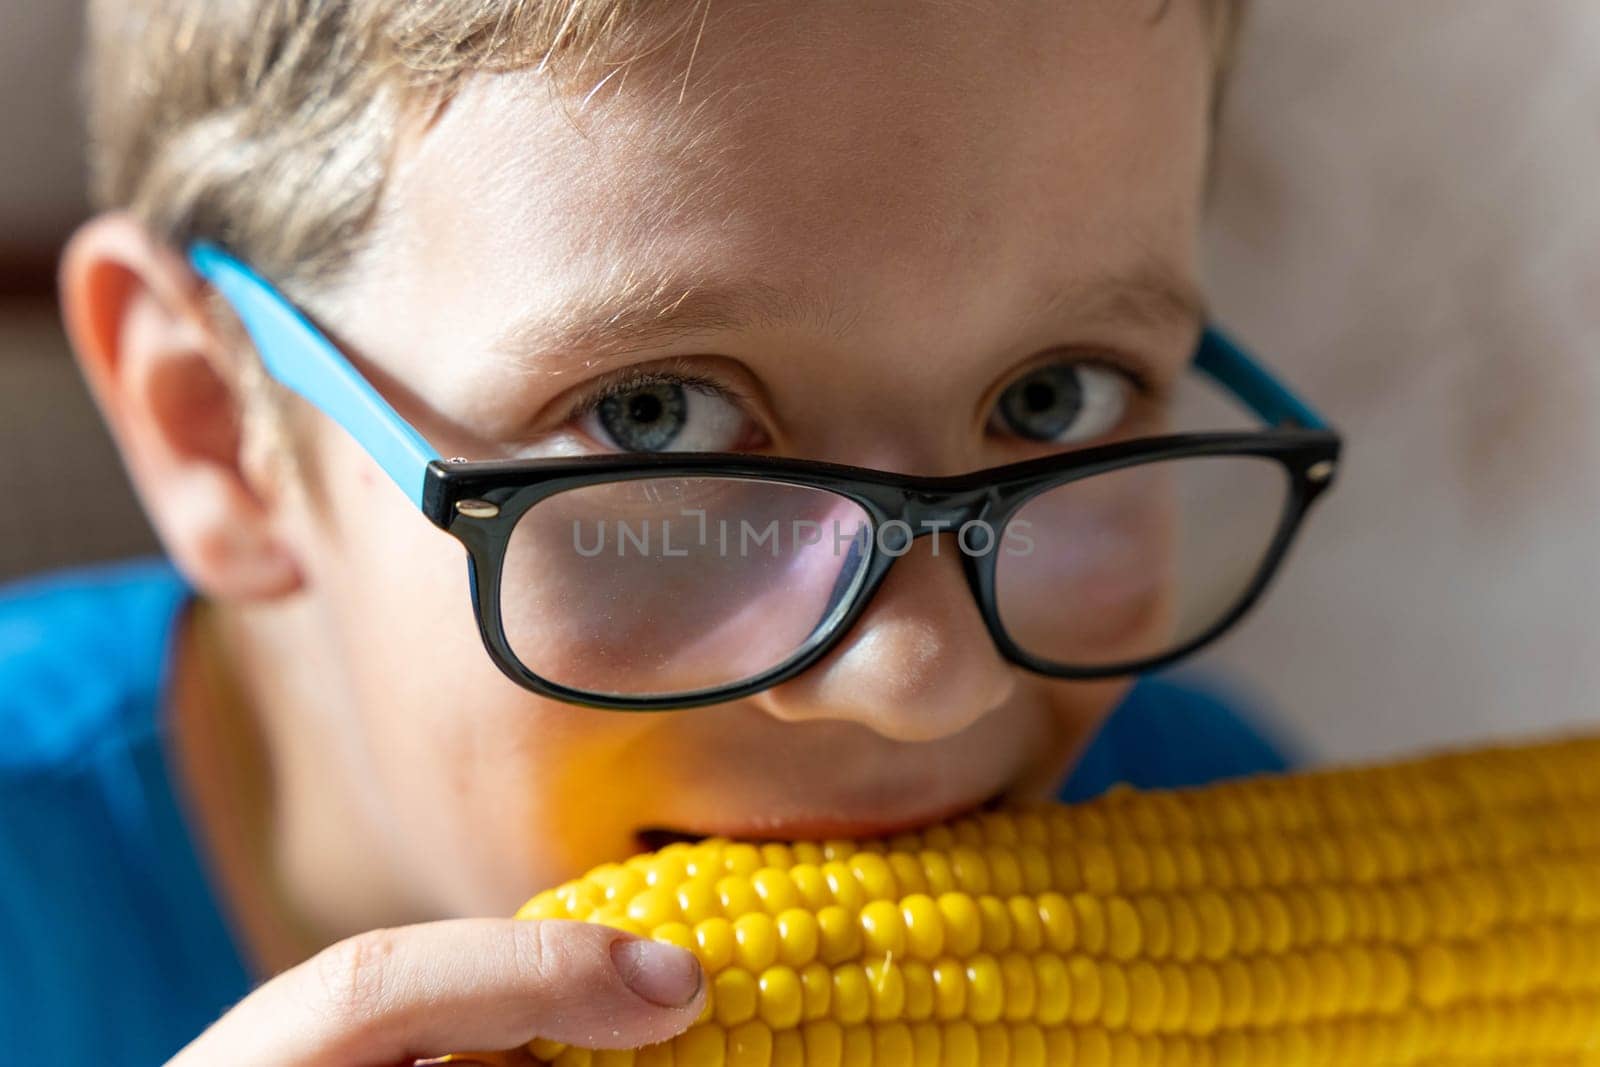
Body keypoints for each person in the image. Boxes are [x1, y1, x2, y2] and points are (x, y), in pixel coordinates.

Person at [0, 1, 1329, 1062]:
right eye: (657, 414)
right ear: (218, 430)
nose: (928, 682)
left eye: (1056, 397)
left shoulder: (1221, 806)